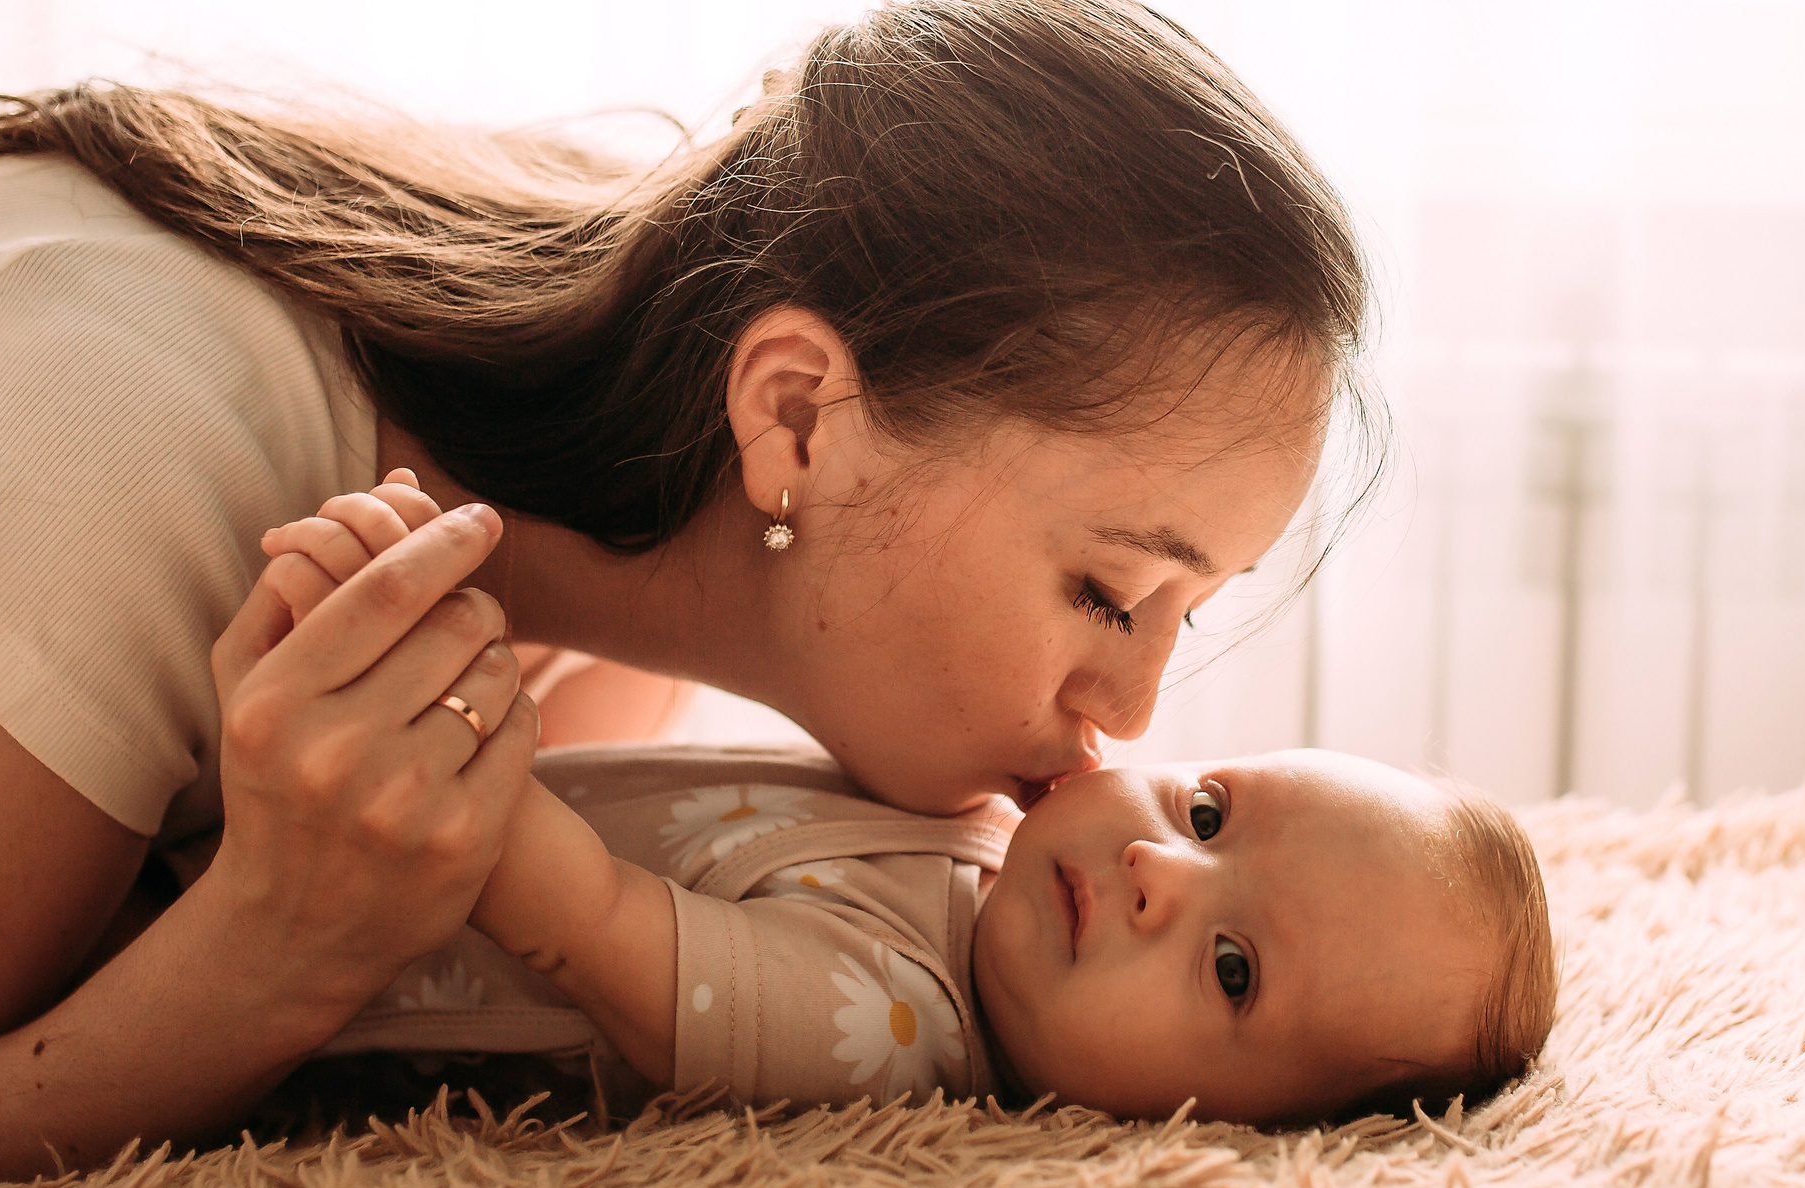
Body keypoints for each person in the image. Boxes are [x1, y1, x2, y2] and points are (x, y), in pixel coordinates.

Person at [0, 0, 1376, 1188]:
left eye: (1191, 613)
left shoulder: (615, 449)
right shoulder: (122, 447)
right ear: (798, 417)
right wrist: (280, 945)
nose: (1134, 713)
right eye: (1109, 592)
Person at [254, 476, 1558, 1125]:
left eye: (1231, 969)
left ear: (1202, 1135)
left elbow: (578, 918)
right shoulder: (980, 852)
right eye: (1210, 815)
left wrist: (434, 688)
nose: (1164, 870)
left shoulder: (883, 1025)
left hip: (306, 974)